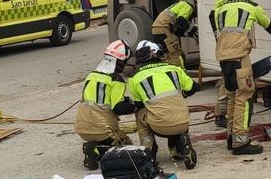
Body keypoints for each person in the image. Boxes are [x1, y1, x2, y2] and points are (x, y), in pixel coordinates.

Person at [213, 0, 271, 155]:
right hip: (240, 59)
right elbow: (268, 24)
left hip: (223, 60)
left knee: (233, 97)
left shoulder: (220, 10)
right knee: (245, 98)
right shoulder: (252, 7)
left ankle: (231, 137)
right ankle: (241, 142)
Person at [211, 0, 271, 128]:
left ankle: (231, 124)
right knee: (231, 86)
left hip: (239, 39)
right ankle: (221, 115)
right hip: (229, 40)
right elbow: (214, 15)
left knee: (234, 83)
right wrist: (220, 37)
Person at [126, 40, 199, 169]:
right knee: (176, 108)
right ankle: (179, 146)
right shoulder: (174, 69)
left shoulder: (135, 79)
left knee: (140, 114)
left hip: (159, 126)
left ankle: (148, 153)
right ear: (157, 54)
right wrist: (181, 95)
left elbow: (139, 105)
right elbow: (194, 87)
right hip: (183, 122)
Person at [74, 40, 134, 170]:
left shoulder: (92, 75)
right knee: (126, 145)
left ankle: (93, 147)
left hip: (81, 127)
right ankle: (98, 148)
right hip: (103, 129)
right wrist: (135, 105)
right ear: (119, 61)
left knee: (102, 132)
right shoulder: (115, 79)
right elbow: (118, 108)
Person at [150, 0, 197, 68]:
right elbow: (181, 22)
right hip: (164, 28)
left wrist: (190, 33)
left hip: (158, 29)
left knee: (166, 55)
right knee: (176, 55)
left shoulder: (179, 6)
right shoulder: (188, 7)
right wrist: (194, 30)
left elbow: (178, 31)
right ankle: (178, 73)